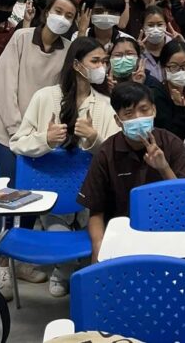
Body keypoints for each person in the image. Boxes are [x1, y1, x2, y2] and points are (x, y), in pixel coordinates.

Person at [9, 36, 116, 296]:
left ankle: (71, 270)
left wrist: (94, 140)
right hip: (53, 192)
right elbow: (17, 143)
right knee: (58, 234)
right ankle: (63, 269)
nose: (101, 67)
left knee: (94, 245)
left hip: (93, 197)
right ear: (77, 65)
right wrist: (45, 139)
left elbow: (115, 154)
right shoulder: (45, 98)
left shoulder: (104, 104)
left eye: (104, 61)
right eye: (95, 61)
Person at [0, 0, 78, 296]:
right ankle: (3, 263)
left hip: (41, 138)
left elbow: (63, 93)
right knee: (11, 197)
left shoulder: (68, 50)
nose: (62, 18)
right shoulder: (21, 38)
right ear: (46, 11)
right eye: (58, 11)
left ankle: (22, 260)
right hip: (8, 132)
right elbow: (4, 85)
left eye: (69, 15)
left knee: (33, 198)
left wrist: (40, 136)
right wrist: (17, 130)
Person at [81, 82, 185, 259]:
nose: (138, 118)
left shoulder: (172, 144)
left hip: (167, 231)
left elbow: (184, 201)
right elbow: (96, 212)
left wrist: (164, 168)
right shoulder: (106, 152)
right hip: (121, 236)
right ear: (118, 120)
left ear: (154, 110)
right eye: (129, 113)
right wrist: (99, 247)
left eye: (144, 110)